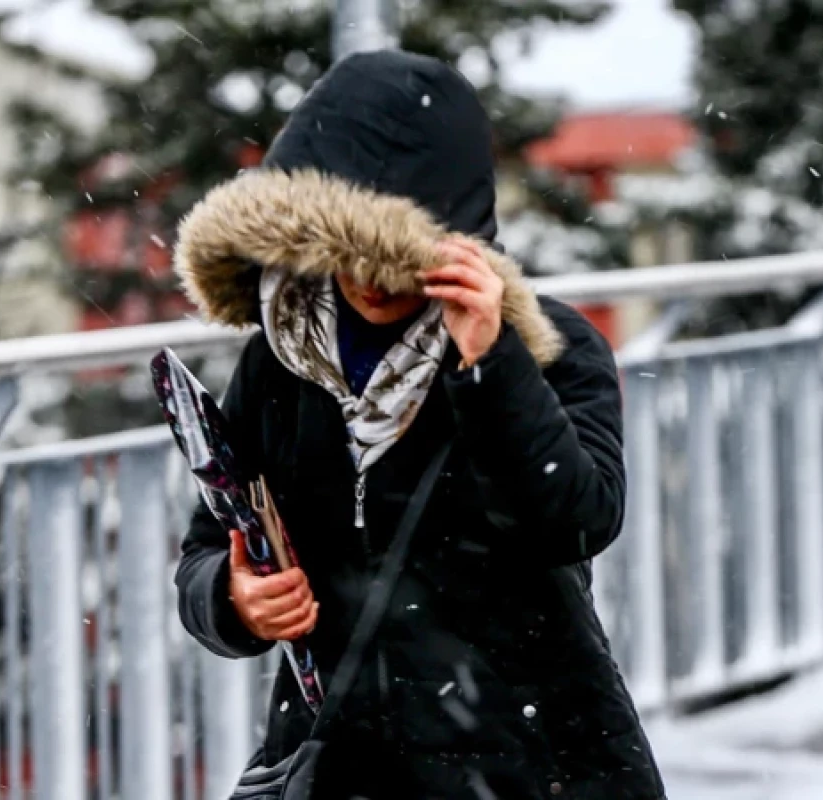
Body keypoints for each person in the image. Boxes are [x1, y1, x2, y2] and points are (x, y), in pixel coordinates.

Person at [172, 49, 666, 800]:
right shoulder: (281, 359)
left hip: (528, 765)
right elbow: (209, 544)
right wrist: (232, 599)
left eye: (396, 256)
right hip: (340, 763)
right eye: (347, 251)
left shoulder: (547, 349)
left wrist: (490, 364)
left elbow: (576, 522)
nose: (371, 280)